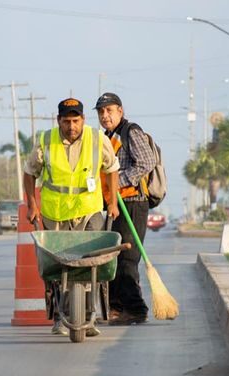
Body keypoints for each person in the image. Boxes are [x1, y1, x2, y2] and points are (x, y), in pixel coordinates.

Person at [23, 97, 120, 336]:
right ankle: (59, 315)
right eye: (66, 121)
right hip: (55, 214)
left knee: (92, 263)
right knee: (57, 267)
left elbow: (112, 169)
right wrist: (32, 204)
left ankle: (89, 314)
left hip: (89, 211)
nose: (71, 127)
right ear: (59, 121)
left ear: (83, 120)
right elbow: (29, 173)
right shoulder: (45, 141)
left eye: (76, 121)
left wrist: (113, 202)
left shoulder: (97, 139)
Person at [95, 92, 156, 325]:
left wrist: (117, 181)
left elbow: (147, 162)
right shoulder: (106, 136)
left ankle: (136, 310)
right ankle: (116, 308)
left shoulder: (131, 132)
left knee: (127, 259)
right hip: (114, 205)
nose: (105, 115)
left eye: (109, 110)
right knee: (112, 257)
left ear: (120, 111)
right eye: (101, 112)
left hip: (133, 203)